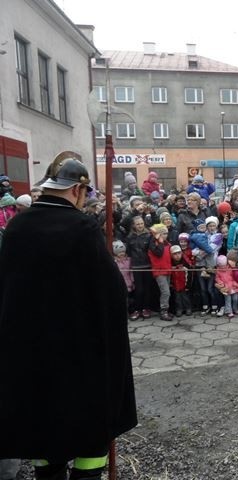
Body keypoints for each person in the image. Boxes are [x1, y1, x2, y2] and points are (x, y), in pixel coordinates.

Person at [0, 152, 136, 480]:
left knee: (41, 426)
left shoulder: (17, 228)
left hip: (29, 352)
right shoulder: (82, 229)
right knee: (88, 428)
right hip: (77, 353)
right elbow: (113, 291)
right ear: (77, 190)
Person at [170, 244, 193, 317]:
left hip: (184, 285)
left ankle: (188, 308)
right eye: (175, 254)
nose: (177, 256)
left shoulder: (185, 263)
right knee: (177, 298)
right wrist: (171, 284)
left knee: (185, 297)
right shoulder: (170, 264)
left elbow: (189, 275)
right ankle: (179, 309)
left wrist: (188, 285)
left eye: (179, 253)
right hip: (175, 285)